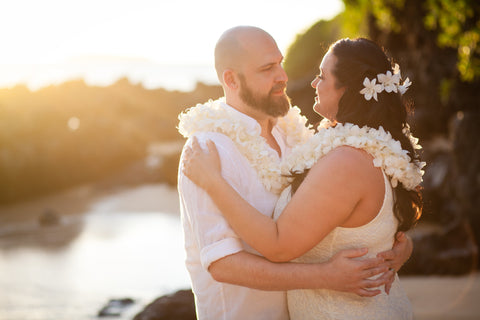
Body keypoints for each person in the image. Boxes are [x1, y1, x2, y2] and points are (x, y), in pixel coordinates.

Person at [178, 28, 413, 320]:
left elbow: (349, 213)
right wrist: (323, 276)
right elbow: (223, 264)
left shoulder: (298, 137)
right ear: (231, 79)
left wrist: (394, 246)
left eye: (280, 62)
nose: (283, 76)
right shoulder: (206, 152)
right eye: (267, 68)